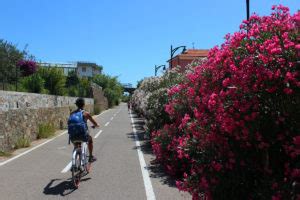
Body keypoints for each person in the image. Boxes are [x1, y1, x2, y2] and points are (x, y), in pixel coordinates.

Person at [71, 97, 99, 162]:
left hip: (73, 136)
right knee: (90, 139)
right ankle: (91, 157)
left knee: (76, 145)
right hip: (83, 136)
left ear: (76, 105)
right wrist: (96, 125)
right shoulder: (86, 114)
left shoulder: (72, 113)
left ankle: (74, 162)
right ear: (83, 105)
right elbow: (94, 123)